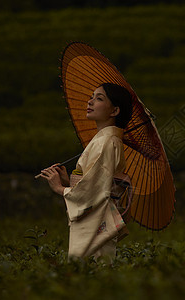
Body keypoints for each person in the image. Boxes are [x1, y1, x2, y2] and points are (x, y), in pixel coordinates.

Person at [40, 83, 133, 262]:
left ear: (114, 111)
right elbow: (95, 182)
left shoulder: (105, 142)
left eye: (99, 99)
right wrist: (70, 182)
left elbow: (94, 191)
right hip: (98, 217)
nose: (90, 102)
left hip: (96, 219)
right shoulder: (107, 140)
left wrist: (60, 188)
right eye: (92, 97)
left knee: (88, 269)